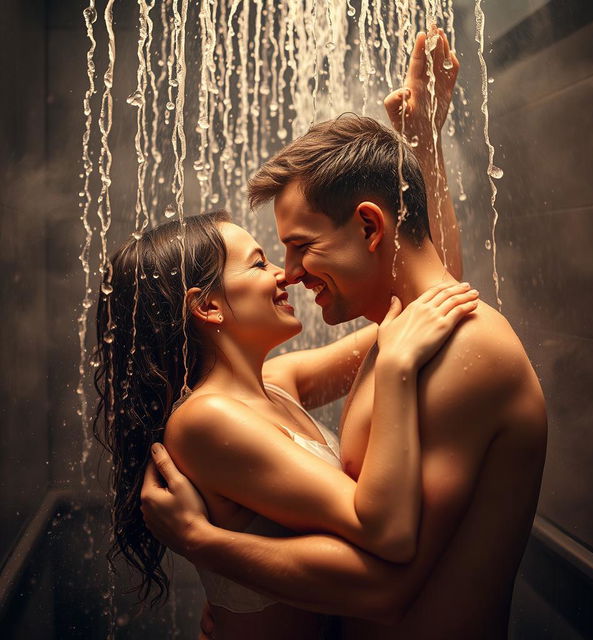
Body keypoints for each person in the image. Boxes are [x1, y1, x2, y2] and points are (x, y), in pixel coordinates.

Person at [140, 29, 548, 640]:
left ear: (368, 227)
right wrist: (422, 147)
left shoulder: (461, 348)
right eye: (270, 258)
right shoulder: (403, 337)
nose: (291, 272)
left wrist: (204, 542)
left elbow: (384, 589)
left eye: (300, 247)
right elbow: (431, 273)